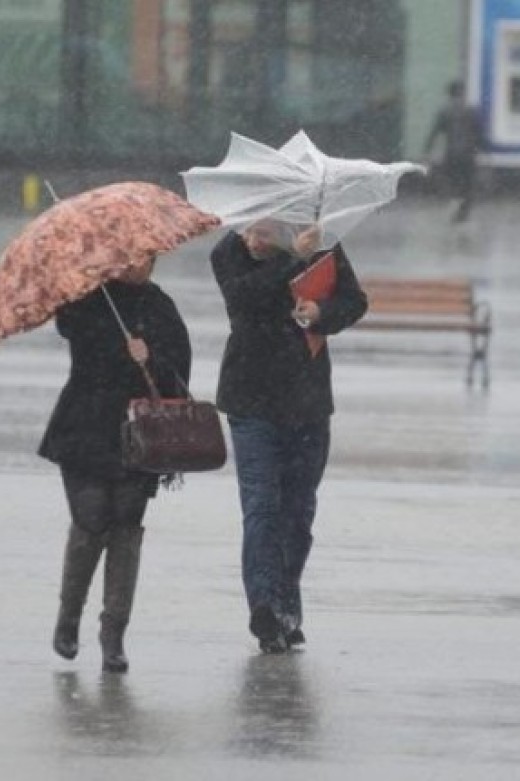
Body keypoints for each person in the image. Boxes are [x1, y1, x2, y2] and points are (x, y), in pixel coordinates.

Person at [211, 220, 368, 653]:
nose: (253, 239)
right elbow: (244, 299)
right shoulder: (228, 253)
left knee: (298, 513)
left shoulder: (322, 245)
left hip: (307, 400)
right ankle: (263, 607)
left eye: (264, 232)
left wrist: (323, 314)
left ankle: (286, 607)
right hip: (250, 399)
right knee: (261, 506)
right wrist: (292, 259)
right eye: (250, 231)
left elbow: (354, 301)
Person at [40, 258, 191, 674]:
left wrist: (150, 358)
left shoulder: (160, 305)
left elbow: (179, 373)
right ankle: (69, 618)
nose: (139, 265)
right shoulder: (88, 298)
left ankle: (114, 633)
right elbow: (70, 327)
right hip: (83, 425)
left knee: (126, 526)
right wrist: (113, 340)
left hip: (138, 434)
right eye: (131, 256)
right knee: (90, 520)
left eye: (148, 257)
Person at [423, 80, 484, 224]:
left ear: (449, 95)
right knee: (468, 184)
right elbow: (479, 133)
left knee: (452, 181)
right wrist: (481, 150)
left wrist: (427, 151)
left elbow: (435, 133)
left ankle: (455, 201)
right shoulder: (471, 111)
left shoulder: (445, 112)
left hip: (452, 154)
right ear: (462, 93)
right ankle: (463, 209)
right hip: (468, 154)